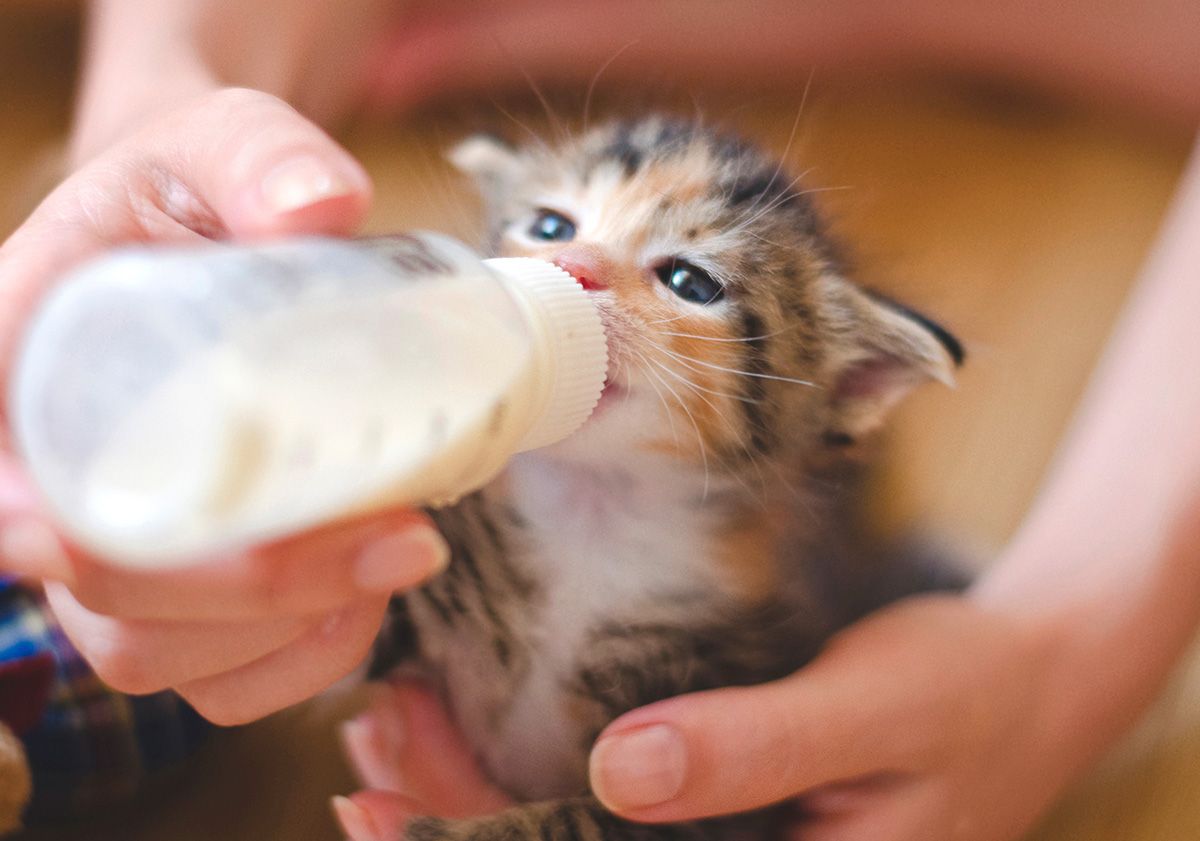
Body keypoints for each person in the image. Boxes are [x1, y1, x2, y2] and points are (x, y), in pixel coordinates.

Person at [0, 1, 1197, 839]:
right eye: (555, 230)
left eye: (685, 281)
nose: (580, 281)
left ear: (835, 394)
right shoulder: (440, 491)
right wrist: (150, 124)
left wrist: (1075, 638)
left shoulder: (738, 619)